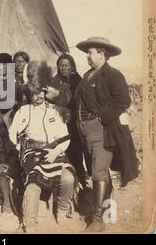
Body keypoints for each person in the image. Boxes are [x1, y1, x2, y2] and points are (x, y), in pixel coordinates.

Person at [74, 37, 138, 232]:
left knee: (98, 171)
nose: (87, 56)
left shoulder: (113, 75)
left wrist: (100, 118)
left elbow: (123, 101)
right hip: (84, 131)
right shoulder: (87, 75)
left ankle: (98, 220)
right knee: (99, 171)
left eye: (90, 52)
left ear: (102, 54)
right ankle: (107, 213)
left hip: (102, 131)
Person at [9, 60, 76, 233]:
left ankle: (61, 213)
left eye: (40, 93)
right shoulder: (24, 111)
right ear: (29, 94)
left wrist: (56, 151)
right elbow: (12, 133)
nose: (37, 97)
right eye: (34, 93)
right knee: (33, 185)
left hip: (54, 152)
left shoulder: (55, 110)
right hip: (31, 153)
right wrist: (19, 148)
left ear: (45, 92)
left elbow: (65, 137)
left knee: (68, 179)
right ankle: (29, 223)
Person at [50, 53, 88, 185]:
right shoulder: (54, 82)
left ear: (72, 66)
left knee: (77, 154)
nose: (63, 68)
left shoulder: (79, 81)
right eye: (60, 65)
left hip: (75, 123)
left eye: (66, 65)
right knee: (62, 155)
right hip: (60, 123)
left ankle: (82, 183)